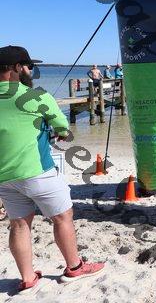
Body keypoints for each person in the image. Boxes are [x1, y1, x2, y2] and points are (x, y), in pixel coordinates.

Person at [0, 46, 105, 294]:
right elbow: (64, 131)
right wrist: (59, 132)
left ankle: (27, 279)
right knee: (62, 217)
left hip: (4, 176)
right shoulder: (37, 97)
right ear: (17, 68)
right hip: (37, 171)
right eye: (29, 67)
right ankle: (75, 267)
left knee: (19, 225)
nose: (31, 71)